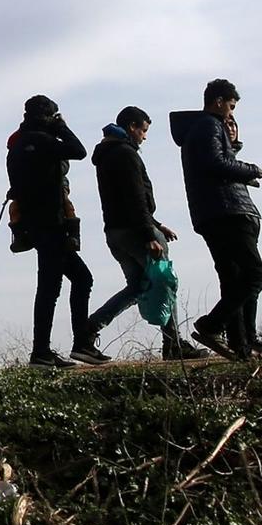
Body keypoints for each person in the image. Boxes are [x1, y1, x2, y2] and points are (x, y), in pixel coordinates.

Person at [85, 107, 206, 360]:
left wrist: (156, 223)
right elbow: (135, 197)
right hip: (136, 232)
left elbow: (123, 199)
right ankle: (174, 345)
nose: (144, 136)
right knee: (165, 282)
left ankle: (92, 326)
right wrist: (149, 233)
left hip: (115, 233)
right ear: (131, 127)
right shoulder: (126, 154)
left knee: (138, 286)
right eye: (143, 130)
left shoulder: (106, 155)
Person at [170, 79, 262, 360]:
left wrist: (234, 155)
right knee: (254, 274)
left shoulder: (199, 130)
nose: (231, 113)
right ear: (218, 101)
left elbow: (214, 163)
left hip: (211, 213)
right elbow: (215, 163)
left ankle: (241, 347)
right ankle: (212, 325)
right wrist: (249, 169)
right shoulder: (209, 125)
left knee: (232, 279)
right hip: (227, 211)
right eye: (230, 105)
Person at [6, 96, 108, 367]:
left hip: (35, 224)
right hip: (51, 223)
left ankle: (59, 348)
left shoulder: (17, 146)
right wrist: (61, 127)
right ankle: (52, 350)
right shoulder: (41, 141)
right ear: (49, 116)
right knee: (58, 286)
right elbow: (79, 151)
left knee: (67, 282)